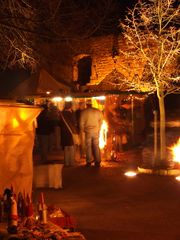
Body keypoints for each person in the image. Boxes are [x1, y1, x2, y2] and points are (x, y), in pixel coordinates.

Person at [80, 100, 103, 167]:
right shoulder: (97, 111)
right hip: (96, 131)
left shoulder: (83, 112)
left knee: (88, 146)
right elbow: (101, 120)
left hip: (88, 131)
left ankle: (89, 161)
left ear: (86, 105)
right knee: (96, 146)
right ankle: (97, 161)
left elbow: (81, 123)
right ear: (92, 104)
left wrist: (83, 130)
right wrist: (99, 128)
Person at [59, 101, 78, 167]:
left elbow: (60, 123)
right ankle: (71, 162)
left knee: (66, 148)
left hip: (64, 133)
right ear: (70, 106)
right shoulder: (71, 114)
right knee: (71, 148)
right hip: (71, 132)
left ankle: (66, 162)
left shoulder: (61, 114)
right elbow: (75, 123)